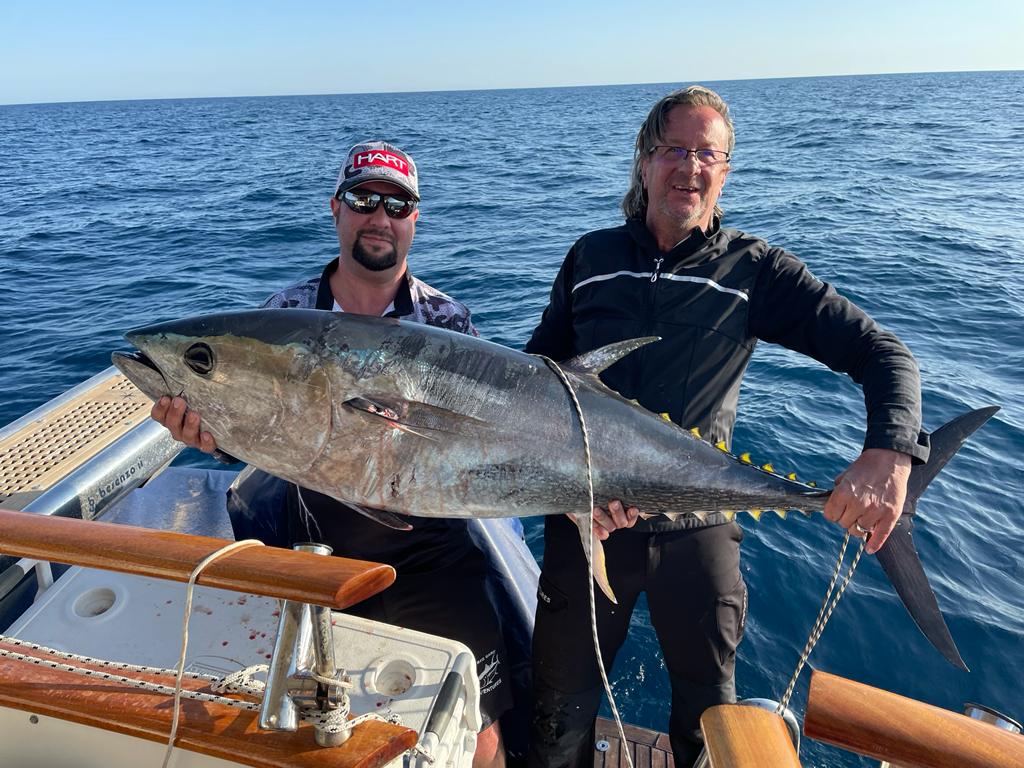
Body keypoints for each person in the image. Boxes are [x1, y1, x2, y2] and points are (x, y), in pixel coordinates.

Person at [523, 86, 930, 767]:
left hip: (699, 531)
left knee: (709, 721)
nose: (691, 167)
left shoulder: (754, 271)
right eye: (674, 150)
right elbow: (536, 383)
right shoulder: (589, 258)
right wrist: (561, 492)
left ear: (726, 171)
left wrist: (891, 451)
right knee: (555, 718)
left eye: (709, 153)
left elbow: (882, 352)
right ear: (644, 162)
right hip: (586, 522)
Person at [151, 141, 511, 768]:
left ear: (414, 219)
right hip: (311, 539)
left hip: (430, 542)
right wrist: (210, 434)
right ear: (336, 209)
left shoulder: (446, 321)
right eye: (363, 198)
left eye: (397, 203)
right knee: (309, 717)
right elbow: (260, 441)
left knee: (476, 720)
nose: (380, 216)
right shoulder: (286, 314)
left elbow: (485, 446)